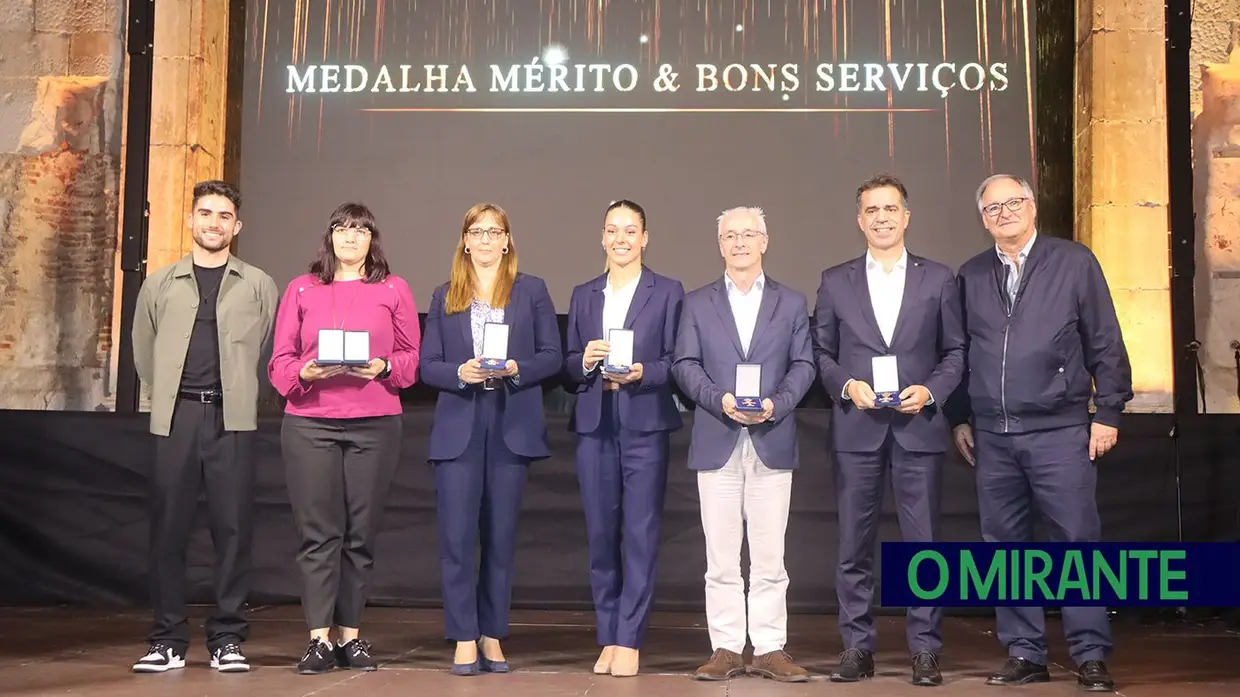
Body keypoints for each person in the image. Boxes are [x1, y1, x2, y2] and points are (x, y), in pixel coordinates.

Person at [945, 174, 1132, 693]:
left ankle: (1090, 653)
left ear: (1032, 206)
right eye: (991, 208)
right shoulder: (972, 273)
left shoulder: (1074, 262)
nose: (1003, 213)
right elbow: (961, 354)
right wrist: (960, 416)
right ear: (982, 219)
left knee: (1077, 544)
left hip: (1060, 431)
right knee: (1006, 549)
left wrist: (1109, 412)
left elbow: (1105, 340)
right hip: (993, 437)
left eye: (1012, 203)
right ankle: (1025, 651)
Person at [811, 174, 965, 686]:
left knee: (923, 546)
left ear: (906, 216)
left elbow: (956, 351)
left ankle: (925, 649)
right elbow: (821, 353)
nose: (881, 217)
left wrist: (931, 390)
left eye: (890, 208)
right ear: (860, 220)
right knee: (854, 545)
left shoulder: (939, 278)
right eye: (871, 210)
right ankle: (857, 646)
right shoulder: (835, 281)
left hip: (917, 427)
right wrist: (847, 384)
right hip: (857, 428)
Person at [130, 179, 279, 674]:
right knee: (168, 528)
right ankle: (167, 637)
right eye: (205, 213)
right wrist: (170, 398)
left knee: (232, 530)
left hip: (231, 418)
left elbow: (264, 350)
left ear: (237, 226)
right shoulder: (160, 283)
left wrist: (236, 392)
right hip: (176, 418)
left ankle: (228, 638)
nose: (214, 223)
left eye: (223, 216)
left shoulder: (258, 284)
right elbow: (144, 350)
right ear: (191, 220)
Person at [267, 202, 421, 675]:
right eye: (342, 228)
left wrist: (385, 366)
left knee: (360, 536)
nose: (350, 237)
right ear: (329, 237)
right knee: (318, 536)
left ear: (373, 239)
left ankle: (351, 637)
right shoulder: (301, 288)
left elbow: (411, 358)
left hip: (374, 422)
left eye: (360, 230)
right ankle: (318, 638)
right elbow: (279, 362)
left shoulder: (394, 289)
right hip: (310, 422)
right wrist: (305, 372)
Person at [418, 203, 564, 676]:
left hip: (510, 423)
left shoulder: (532, 291)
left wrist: (519, 368)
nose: (484, 240)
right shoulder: (445, 296)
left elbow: (552, 357)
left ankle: (492, 634)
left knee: (500, 538)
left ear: (507, 240)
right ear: (464, 241)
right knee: (457, 539)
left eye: (493, 231)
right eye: (475, 232)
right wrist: (460, 372)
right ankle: (463, 635)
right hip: (460, 424)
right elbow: (428, 366)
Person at [671, 206, 815, 683]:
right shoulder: (696, 303)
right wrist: (720, 400)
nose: (739, 243)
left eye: (748, 234)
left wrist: (776, 404)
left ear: (765, 241)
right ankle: (727, 647)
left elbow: (804, 366)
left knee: (771, 555)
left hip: (772, 438)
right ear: (720, 245)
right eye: (730, 236)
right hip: (718, 438)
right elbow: (685, 364)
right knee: (721, 556)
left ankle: (771, 647)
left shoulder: (792, 304)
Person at [563, 200, 685, 677]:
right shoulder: (584, 293)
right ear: (602, 237)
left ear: (645, 238)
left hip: (645, 423)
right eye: (612, 230)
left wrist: (644, 371)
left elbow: (677, 362)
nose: (621, 238)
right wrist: (586, 361)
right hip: (595, 423)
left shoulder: (669, 291)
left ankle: (630, 638)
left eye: (630, 230)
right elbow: (568, 366)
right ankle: (608, 634)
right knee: (600, 536)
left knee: (639, 533)